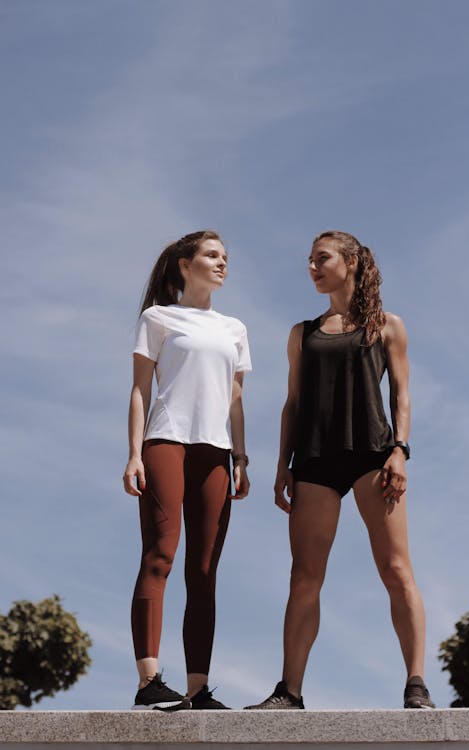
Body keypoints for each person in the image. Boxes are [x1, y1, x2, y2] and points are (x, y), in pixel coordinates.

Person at [245, 230, 434, 711]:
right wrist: (282, 465)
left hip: (374, 454)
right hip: (314, 460)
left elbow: (402, 395)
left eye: (321, 258)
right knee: (304, 576)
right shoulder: (301, 334)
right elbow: (292, 403)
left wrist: (400, 450)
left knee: (395, 569)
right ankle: (289, 691)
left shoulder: (387, 326)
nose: (312, 266)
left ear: (350, 262)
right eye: (309, 260)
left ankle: (416, 684)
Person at [123, 230, 251, 711]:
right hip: (166, 440)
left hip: (215, 452)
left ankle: (198, 690)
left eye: (225, 257)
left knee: (204, 571)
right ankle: (149, 680)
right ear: (185, 264)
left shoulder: (234, 328)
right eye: (212, 255)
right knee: (160, 555)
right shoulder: (158, 318)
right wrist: (134, 454)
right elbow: (139, 390)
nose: (222, 264)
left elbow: (236, 399)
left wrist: (241, 456)